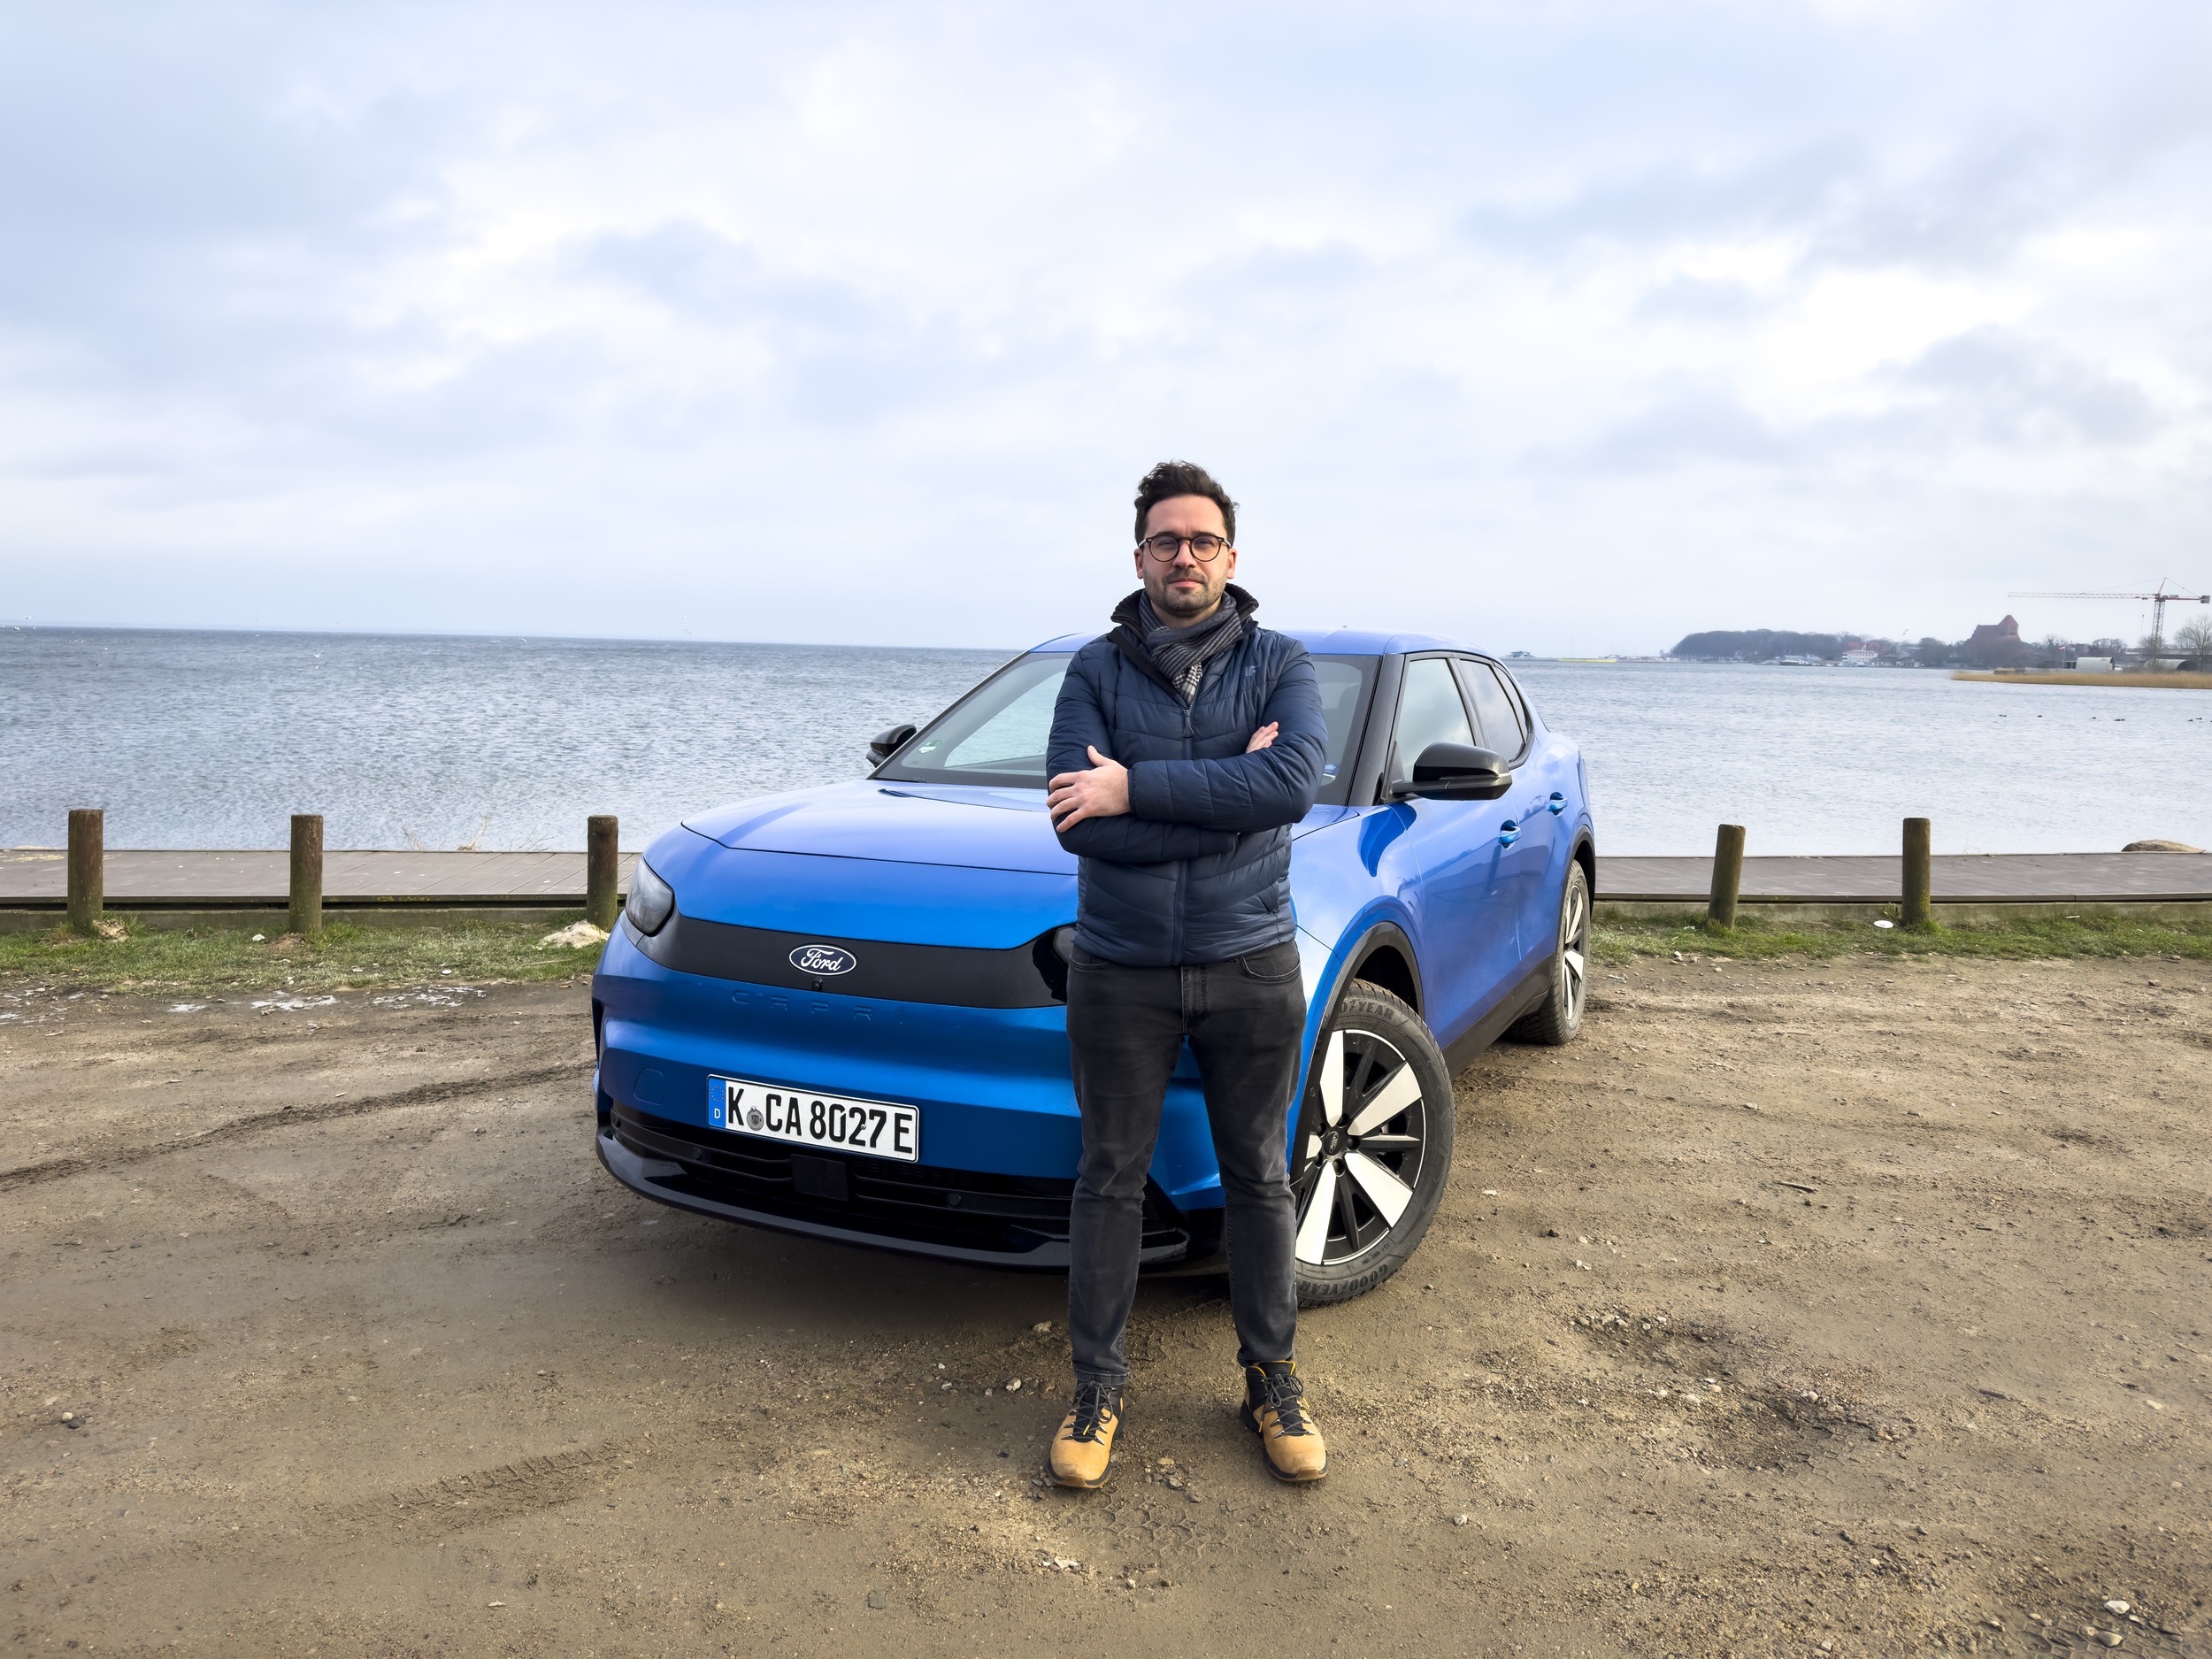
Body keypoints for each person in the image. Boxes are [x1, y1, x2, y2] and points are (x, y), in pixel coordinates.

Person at [1041, 459, 1330, 1486]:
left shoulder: (1282, 662)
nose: (1184, 557)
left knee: (1259, 1177)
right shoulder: (1093, 671)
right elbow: (1078, 821)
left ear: (1230, 558)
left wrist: (1136, 788)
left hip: (1250, 961)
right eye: (1166, 541)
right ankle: (1096, 1387)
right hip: (1120, 968)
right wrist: (1226, 802)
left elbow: (1290, 784)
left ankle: (1272, 1377)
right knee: (1108, 1178)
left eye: (1202, 541)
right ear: (1139, 558)